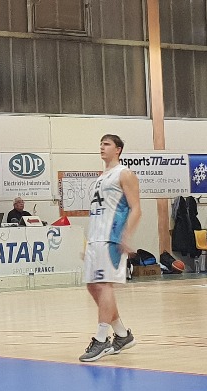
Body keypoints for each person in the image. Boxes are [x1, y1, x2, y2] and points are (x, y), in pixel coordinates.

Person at [79, 134, 141, 362]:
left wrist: (126, 236)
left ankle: (102, 338)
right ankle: (122, 334)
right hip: (96, 239)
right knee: (93, 286)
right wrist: (89, 242)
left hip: (111, 238)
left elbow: (136, 208)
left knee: (104, 285)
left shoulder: (125, 174)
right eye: (101, 144)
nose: (102, 147)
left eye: (106, 144)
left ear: (118, 149)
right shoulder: (100, 177)